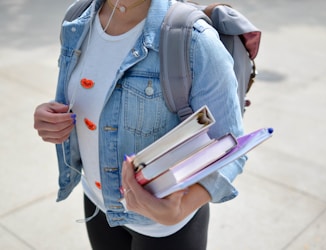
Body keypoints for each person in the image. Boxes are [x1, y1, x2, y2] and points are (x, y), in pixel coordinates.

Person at [33, 0, 246, 249]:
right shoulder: (77, 18)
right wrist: (51, 115)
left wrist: (180, 209)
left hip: (166, 229)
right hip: (97, 203)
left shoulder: (195, 40)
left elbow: (230, 147)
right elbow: (91, 94)